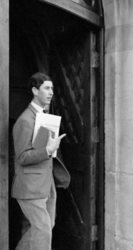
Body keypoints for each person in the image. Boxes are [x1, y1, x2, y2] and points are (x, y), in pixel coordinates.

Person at [11, 72, 70, 250]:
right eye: (46, 88)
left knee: (45, 227)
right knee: (43, 230)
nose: (51, 92)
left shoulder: (43, 116)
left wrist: (49, 150)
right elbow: (22, 157)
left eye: (52, 88)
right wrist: (47, 150)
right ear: (35, 90)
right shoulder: (24, 121)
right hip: (30, 186)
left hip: (46, 183)